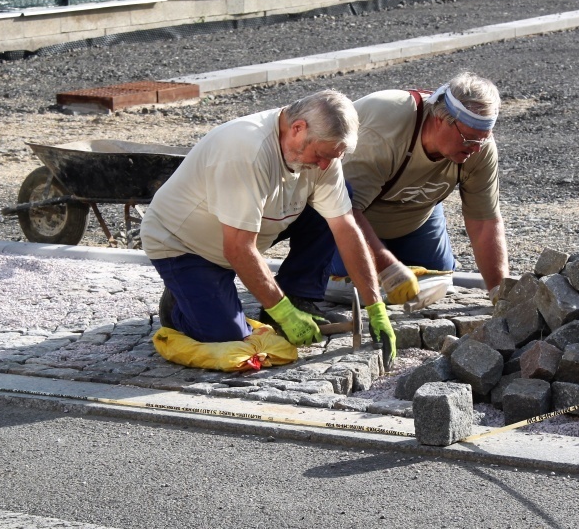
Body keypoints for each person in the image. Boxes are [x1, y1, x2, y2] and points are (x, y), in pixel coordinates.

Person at [139, 89, 396, 363]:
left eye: (333, 157)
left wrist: (375, 306)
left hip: (249, 228)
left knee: (337, 203)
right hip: (185, 246)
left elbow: (345, 228)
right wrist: (283, 314)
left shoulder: (323, 153)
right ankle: (179, 304)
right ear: (298, 128)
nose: (325, 165)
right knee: (228, 337)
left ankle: (296, 297)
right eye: (320, 155)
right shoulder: (245, 150)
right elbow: (238, 248)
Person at [328, 71, 510, 306]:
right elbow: (344, 210)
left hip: (416, 214)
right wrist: (387, 268)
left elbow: (484, 221)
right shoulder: (385, 128)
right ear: (440, 119)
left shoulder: (479, 146)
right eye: (469, 139)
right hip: (342, 215)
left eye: (483, 139)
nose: (476, 149)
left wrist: (499, 292)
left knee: (439, 281)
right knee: (358, 286)